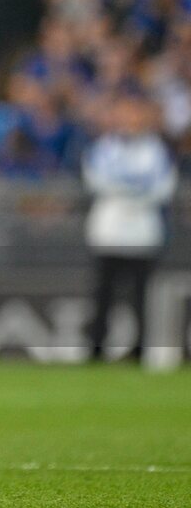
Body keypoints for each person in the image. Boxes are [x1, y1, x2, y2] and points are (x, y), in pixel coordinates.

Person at [82, 95, 177, 360]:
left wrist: (126, 190)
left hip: (143, 233)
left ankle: (139, 350)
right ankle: (96, 348)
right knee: (103, 295)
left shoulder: (156, 150)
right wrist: (136, 189)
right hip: (108, 231)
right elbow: (97, 180)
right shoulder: (104, 147)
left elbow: (163, 188)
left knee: (140, 297)